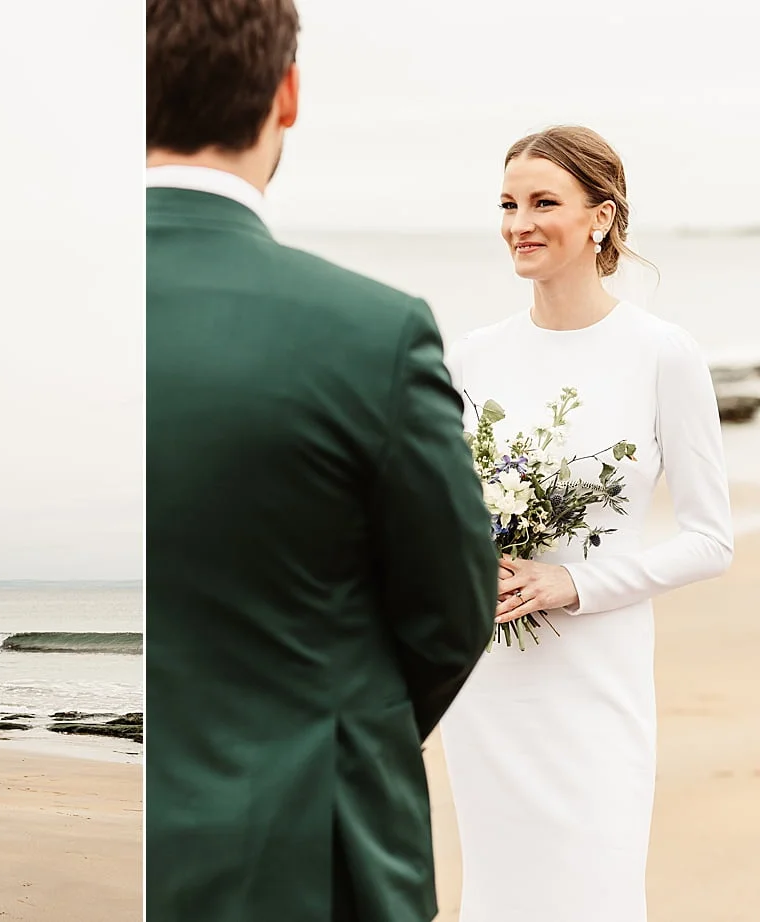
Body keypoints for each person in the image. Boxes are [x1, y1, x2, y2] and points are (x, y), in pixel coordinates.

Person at [145, 1, 499, 918]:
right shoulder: (369, 333)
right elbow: (453, 612)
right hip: (296, 850)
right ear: (286, 93)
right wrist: (338, 733)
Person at [436, 126, 735, 922]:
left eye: (543, 202)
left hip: (595, 681)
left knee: (591, 889)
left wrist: (576, 583)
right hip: (490, 682)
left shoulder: (663, 354)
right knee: (496, 892)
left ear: (601, 218)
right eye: (507, 203)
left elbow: (712, 539)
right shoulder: (471, 356)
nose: (518, 223)